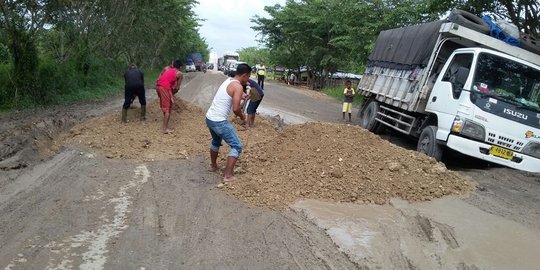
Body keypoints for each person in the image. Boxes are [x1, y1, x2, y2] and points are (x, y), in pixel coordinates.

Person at [206, 63, 252, 182]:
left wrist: (242, 95)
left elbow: (232, 93)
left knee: (216, 141)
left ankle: (213, 166)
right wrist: (243, 117)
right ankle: (228, 175)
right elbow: (236, 109)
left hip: (210, 118)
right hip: (219, 121)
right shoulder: (238, 86)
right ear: (245, 75)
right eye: (248, 77)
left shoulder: (229, 81)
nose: (248, 80)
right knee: (237, 146)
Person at [156, 60, 183, 133]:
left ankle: (165, 124)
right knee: (168, 108)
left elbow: (159, 78)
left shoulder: (166, 68)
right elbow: (177, 88)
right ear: (180, 67)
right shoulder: (179, 73)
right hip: (164, 88)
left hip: (158, 86)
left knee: (166, 106)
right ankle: (165, 129)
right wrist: (172, 93)